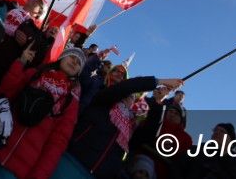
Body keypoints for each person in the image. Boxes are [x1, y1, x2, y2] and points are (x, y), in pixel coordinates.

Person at [0, 46, 86, 179]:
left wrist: (39, 176)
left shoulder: (71, 103)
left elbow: (57, 143)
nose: (75, 62)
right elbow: (4, 94)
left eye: (79, 62)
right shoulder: (36, 73)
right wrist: (20, 63)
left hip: (18, 168)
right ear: (62, 57)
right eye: (72, 56)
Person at [53, 73, 183, 178]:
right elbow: (127, 86)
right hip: (71, 161)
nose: (130, 96)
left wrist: (159, 103)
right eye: (129, 93)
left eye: (134, 97)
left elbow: (150, 135)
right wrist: (159, 81)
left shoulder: (133, 124)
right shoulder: (105, 101)